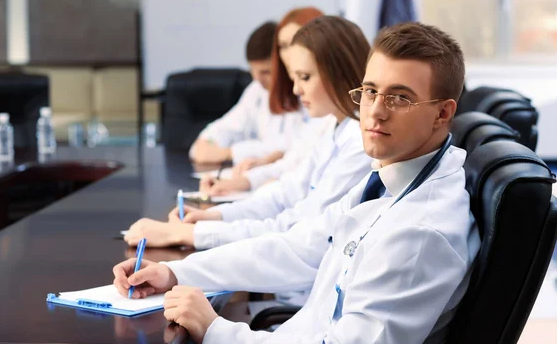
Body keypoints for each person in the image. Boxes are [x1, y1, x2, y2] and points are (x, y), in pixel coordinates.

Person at [114, 22, 481, 344]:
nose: (375, 112)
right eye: (370, 91)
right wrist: (175, 272)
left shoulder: (419, 232)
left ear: (442, 113)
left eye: (400, 98)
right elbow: (302, 247)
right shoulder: (389, 180)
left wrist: (216, 332)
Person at [124, 16, 373, 252]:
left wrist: (190, 234)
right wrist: (215, 216)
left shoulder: (361, 142)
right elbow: (286, 194)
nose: (296, 89)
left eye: (305, 77)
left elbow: (298, 229)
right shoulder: (332, 126)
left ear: (337, 71)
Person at [190, 8, 323, 167]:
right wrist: (205, 142)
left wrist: (230, 153)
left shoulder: (313, 93)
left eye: (266, 72)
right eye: (283, 46)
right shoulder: (257, 91)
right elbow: (225, 128)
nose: (258, 80)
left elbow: (293, 146)